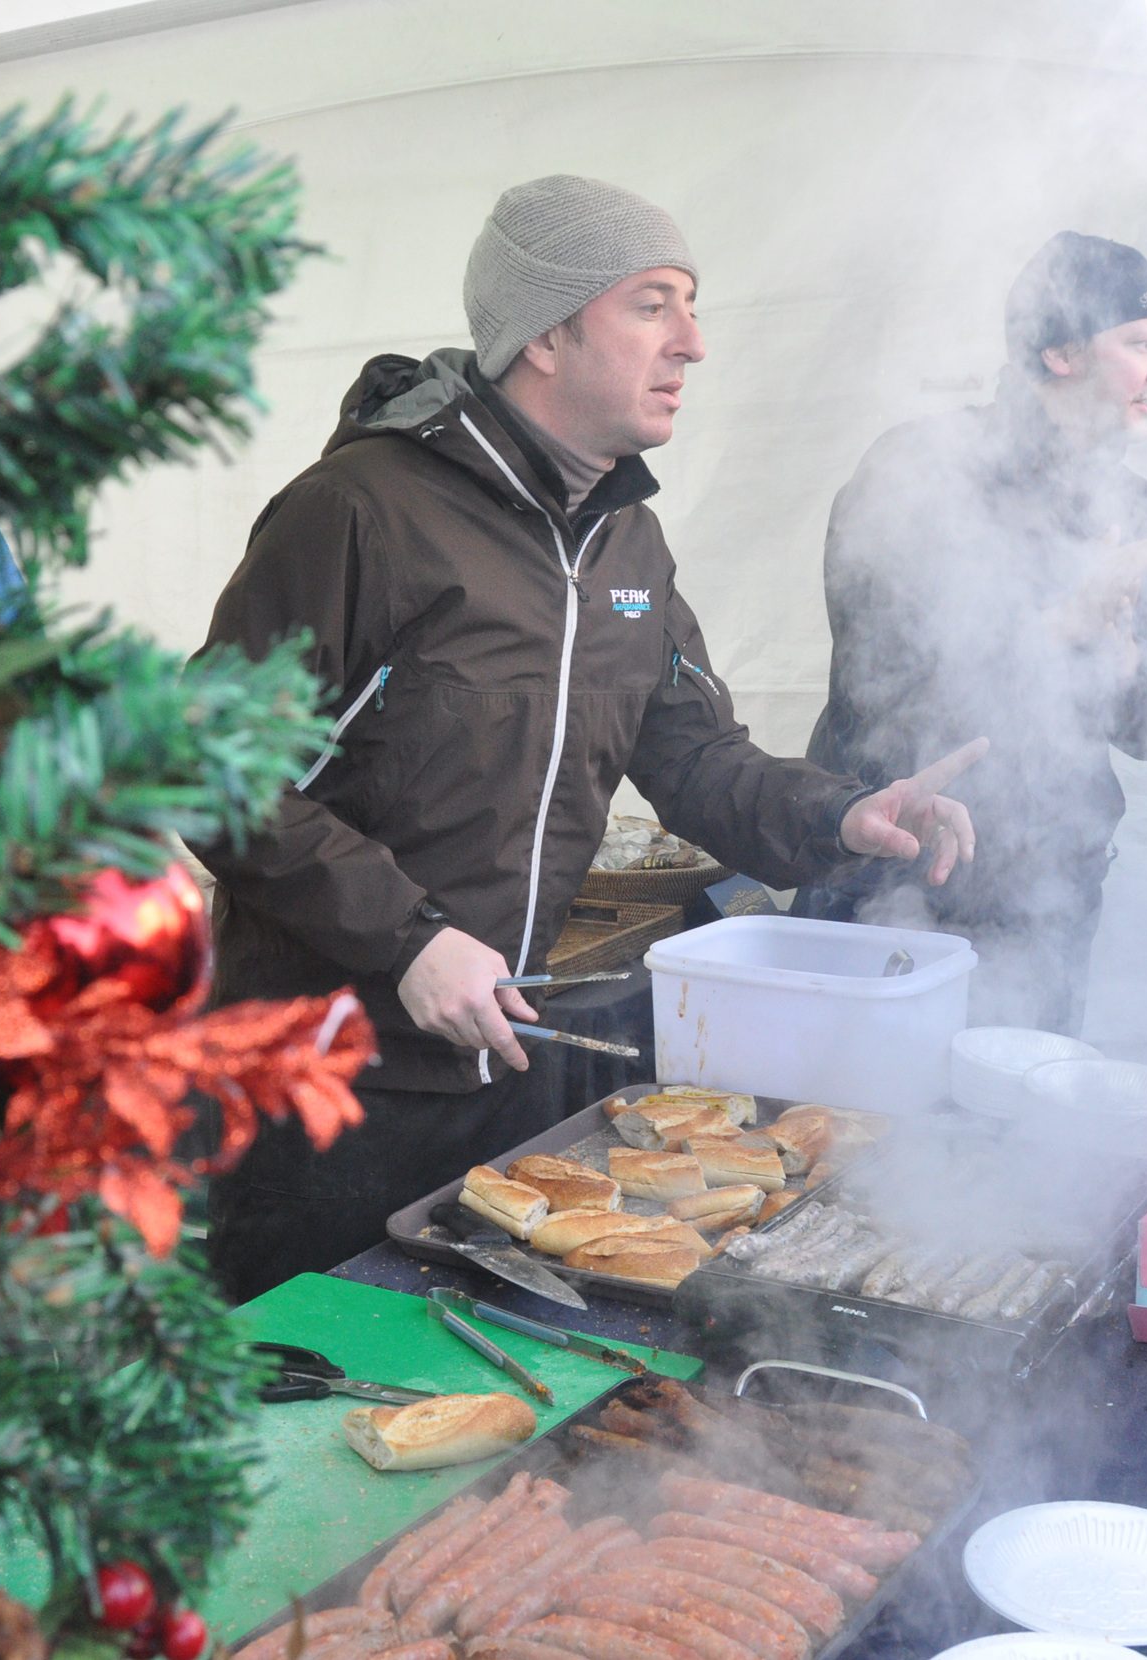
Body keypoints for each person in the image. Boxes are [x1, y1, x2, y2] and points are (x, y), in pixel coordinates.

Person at [189, 176, 986, 1300]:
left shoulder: (628, 543)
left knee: (493, 1408)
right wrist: (409, 939)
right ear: (547, 336)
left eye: (691, 306)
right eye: (652, 304)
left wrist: (841, 811)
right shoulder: (359, 512)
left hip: (511, 1071)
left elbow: (695, 756)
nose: (693, 344)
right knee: (313, 1394)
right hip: (321, 1090)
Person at [797, 232, 1147, 1034]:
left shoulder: (1143, 508)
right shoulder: (918, 471)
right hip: (894, 880)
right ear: (1060, 350)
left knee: (1017, 1134)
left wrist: (1127, 666)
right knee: (861, 1138)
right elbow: (880, 687)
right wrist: (1061, 627)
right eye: (1140, 344)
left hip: (1052, 889)